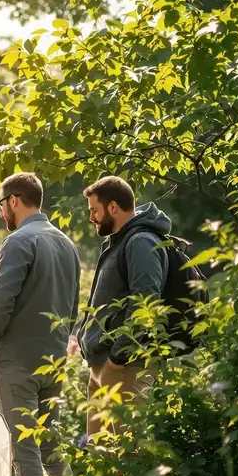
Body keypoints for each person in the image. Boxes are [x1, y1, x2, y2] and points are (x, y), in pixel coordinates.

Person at [0, 173, 81, 476]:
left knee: (24, 450)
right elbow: (69, 305)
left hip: (17, 360)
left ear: (15, 200)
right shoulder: (66, 244)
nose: (1, 210)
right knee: (50, 446)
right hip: (53, 359)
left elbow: (1, 303)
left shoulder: (17, 241)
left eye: (1, 203)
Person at [73, 176, 170, 437]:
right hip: (103, 364)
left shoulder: (140, 242)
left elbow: (145, 302)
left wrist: (118, 357)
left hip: (125, 366)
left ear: (113, 207)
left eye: (95, 210)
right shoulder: (119, 241)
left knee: (129, 457)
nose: (92, 218)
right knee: (101, 456)